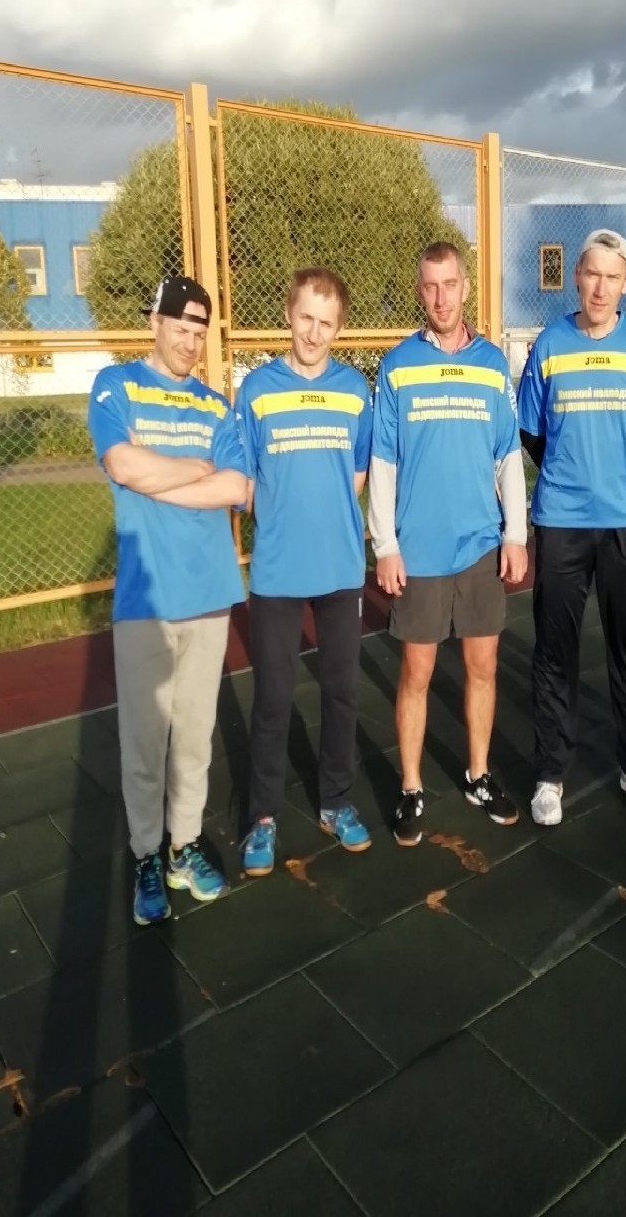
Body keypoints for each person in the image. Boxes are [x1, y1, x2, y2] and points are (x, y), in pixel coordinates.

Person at [87, 276, 247, 926]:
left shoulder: (216, 406)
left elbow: (235, 486)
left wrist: (162, 477)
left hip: (208, 594)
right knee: (145, 743)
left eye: (199, 331)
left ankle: (184, 846)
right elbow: (122, 466)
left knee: (194, 741)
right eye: (180, 327)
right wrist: (195, 470)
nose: (189, 341)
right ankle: (147, 855)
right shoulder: (117, 385)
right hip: (146, 598)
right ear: (154, 322)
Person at [368, 241, 528, 847]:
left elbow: (508, 455)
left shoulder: (492, 364)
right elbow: (383, 461)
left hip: (481, 547)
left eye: (450, 284)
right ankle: (411, 787)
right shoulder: (398, 366)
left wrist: (515, 534)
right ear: (420, 291)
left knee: (482, 668)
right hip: (420, 550)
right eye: (430, 286)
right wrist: (385, 544)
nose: (441, 297)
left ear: (466, 287)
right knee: (417, 671)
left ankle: (478, 776)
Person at [517, 229, 626, 826]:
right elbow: (532, 432)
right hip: (561, 520)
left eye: (612, 276)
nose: (600, 288)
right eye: (591, 274)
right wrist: (572, 471)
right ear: (576, 277)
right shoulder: (550, 344)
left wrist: (614, 473)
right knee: (555, 652)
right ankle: (551, 775)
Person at [236, 268, 373, 875]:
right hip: (277, 570)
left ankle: (335, 801)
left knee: (342, 692)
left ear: (339, 328)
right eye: (305, 319)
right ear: (288, 316)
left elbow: (358, 474)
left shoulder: (355, 390)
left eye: (326, 323)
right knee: (272, 698)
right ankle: (262, 817)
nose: (314, 333)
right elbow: (246, 483)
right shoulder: (257, 390)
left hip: (341, 567)